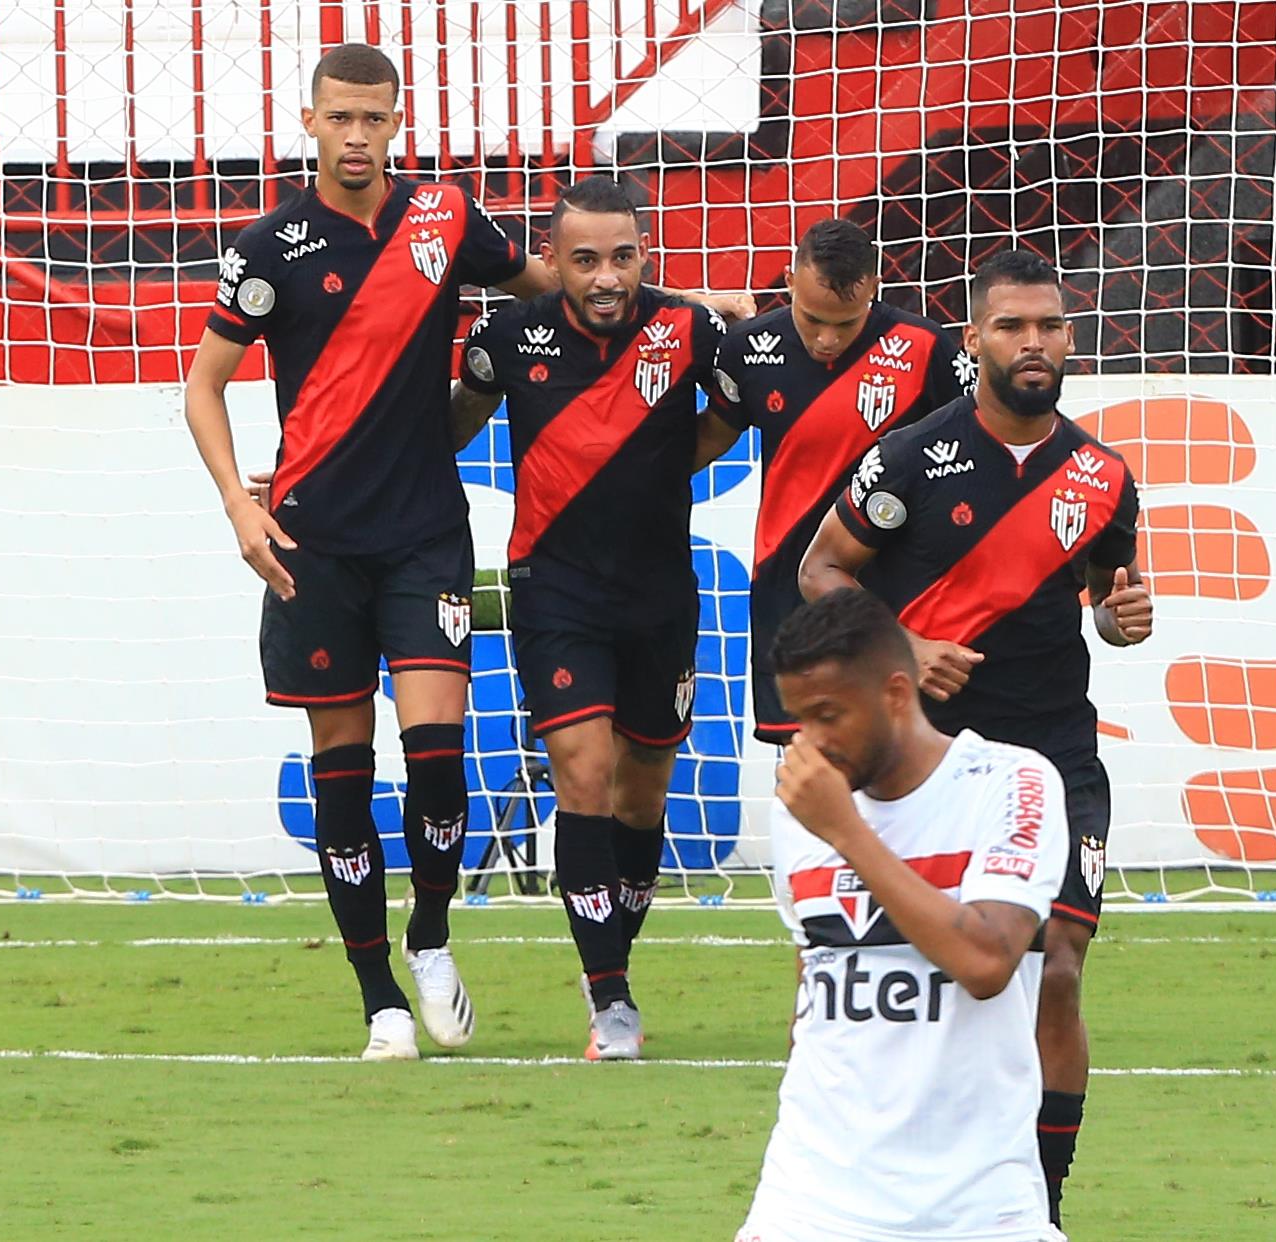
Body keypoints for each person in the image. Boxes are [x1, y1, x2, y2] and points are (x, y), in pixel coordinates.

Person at [183, 42, 557, 1060]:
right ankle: (378, 995)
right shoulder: (269, 248)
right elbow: (202, 386)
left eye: (374, 119)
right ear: (308, 122)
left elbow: (552, 291)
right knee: (341, 772)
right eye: (339, 118)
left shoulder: (442, 220)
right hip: (311, 545)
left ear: (399, 123)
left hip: (426, 536)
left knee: (440, 760)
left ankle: (431, 936)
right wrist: (237, 504)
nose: (357, 136)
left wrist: (694, 316)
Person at [797, 250, 1155, 1225]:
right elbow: (821, 573)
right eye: (1010, 327)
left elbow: (1108, 608)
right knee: (933, 988)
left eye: (1048, 325)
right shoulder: (911, 457)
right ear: (974, 343)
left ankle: (1036, 1209)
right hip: (930, 764)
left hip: (1053, 763)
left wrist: (1123, 619)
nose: (1032, 343)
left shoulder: (1101, 477)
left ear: (1070, 338)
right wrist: (902, 642)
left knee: (1057, 971)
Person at [449, 176, 727, 1060]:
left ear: (644, 254)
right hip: (554, 588)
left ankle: (610, 960)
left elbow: (752, 396)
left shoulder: (690, 330)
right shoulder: (504, 338)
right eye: (584, 260)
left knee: (643, 792)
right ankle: (610, 1001)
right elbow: (444, 426)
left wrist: (658, 461)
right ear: (553, 263)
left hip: (659, 595)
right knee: (584, 770)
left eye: (622, 257)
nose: (606, 277)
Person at [738, 588, 1067, 1242]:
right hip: (808, 1199)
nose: (812, 743)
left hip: (974, 1209)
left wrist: (847, 833)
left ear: (895, 693)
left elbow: (986, 961)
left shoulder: (1011, 782)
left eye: (829, 715)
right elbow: (816, 971)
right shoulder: (799, 809)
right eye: (800, 719)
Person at [693, 218, 975, 745]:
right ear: (789, 282)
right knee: (810, 774)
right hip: (788, 590)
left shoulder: (926, 350)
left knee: (905, 773)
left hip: (903, 602)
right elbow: (712, 435)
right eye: (812, 318)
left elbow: (983, 447)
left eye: (846, 324)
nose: (826, 339)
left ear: (873, 288)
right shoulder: (747, 348)